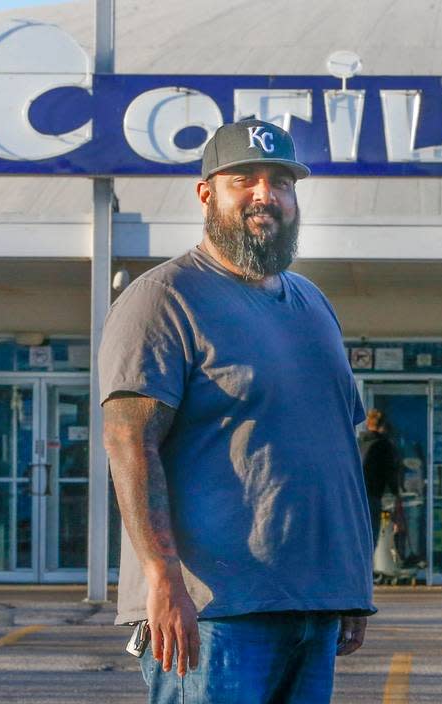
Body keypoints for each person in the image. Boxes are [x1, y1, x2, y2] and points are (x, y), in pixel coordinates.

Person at [100, 118, 374, 704]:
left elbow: (335, 449)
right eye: (243, 180)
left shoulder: (312, 304)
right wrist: (163, 579)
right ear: (206, 193)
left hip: (312, 604)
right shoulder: (164, 298)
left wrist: (349, 583)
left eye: (279, 181)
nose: (264, 195)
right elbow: (129, 443)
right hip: (213, 612)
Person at [358, 408, 401, 545]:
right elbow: (391, 472)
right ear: (383, 426)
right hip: (373, 496)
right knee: (371, 538)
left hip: (354, 497)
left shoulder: (357, 443)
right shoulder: (384, 446)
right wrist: (396, 493)